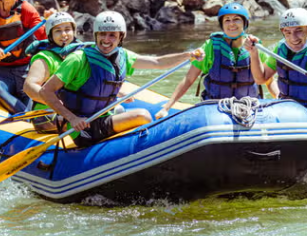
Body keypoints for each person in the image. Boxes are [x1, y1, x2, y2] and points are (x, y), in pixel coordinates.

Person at [39, 11, 204, 147]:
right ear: (96, 35)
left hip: (103, 117)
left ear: (120, 37)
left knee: (124, 109)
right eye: (102, 34)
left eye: (112, 35)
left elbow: (158, 62)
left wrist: (188, 55)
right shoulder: (78, 59)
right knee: (142, 115)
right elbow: (46, 91)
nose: (106, 40)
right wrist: (71, 118)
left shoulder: (123, 56)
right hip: (83, 127)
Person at [155, 2, 275, 120]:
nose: (231, 24)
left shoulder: (255, 46)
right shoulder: (210, 46)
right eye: (227, 20)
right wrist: (167, 107)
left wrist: (280, 100)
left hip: (248, 106)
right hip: (216, 107)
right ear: (222, 24)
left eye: (236, 19)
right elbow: (189, 79)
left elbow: (269, 80)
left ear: (245, 23)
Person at [244, 7, 307, 123]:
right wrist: (253, 52)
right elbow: (261, 79)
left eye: (299, 30)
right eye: (288, 32)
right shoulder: (281, 48)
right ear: (283, 31)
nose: (293, 38)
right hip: (287, 107)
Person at [23, 12, 86, 132]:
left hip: (76, 108)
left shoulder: (80, 54)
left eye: (67, 29)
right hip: (48, 114)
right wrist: (57, 104)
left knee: (117, 109)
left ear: (74, 31)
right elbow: (29, 86)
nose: (64, 34)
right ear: (50, 35)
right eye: (58, 31)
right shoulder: (44, 57)